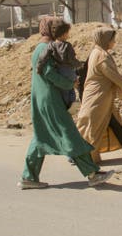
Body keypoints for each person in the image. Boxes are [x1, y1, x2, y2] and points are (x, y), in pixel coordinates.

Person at [18, 17, 114, 190]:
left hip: (41, 99)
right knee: (70, 136)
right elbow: (49, 74)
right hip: (51, 99)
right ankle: (92, 174)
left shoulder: (41, 48)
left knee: (40, 138)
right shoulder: (46, 49)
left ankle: (29, 176)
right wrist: (70, 84)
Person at [76, 27, 122, 164]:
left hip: (101, 97)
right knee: (92, 129)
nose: (114, 42)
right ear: (106, 40)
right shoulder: (101, 56)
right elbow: (115, 77)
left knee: (104, 125)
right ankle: (86, 160)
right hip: (98, 98)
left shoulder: (98, 52)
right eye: (112, 39)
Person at [36, 21, 83, 108]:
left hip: (60, 71)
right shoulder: (67, 46)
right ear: (64, 34)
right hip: (69, 70)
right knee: (73, 88)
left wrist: (39, 68)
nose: (68, 35)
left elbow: (43, 57)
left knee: (63, 90)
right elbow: (72, 59)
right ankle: (72, 103)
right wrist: (79, 65)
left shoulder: (51, 45)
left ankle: (66, 104)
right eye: (67, 33)